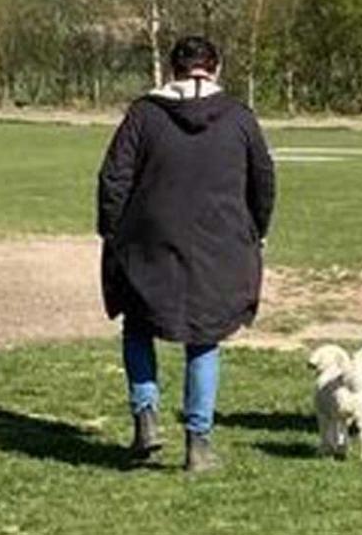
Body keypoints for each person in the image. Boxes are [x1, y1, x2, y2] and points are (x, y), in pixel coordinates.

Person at [96, 36, 275, 472]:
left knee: (138, 324)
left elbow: (114, 177)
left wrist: (112, 229)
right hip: (220, 241)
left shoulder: (143, 114)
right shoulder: (239, 117)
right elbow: (264, 180)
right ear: (214, 68)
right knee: (204, 338)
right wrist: (258, 229)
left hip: (148, 239)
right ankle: (198, 443)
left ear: (172, 68)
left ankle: (146, 415)